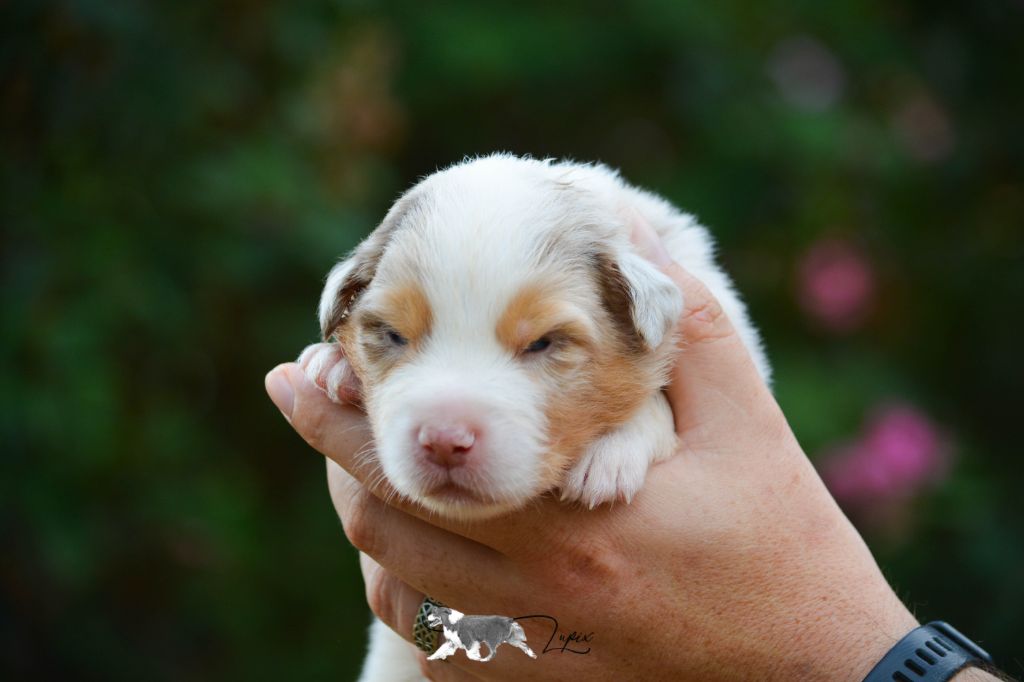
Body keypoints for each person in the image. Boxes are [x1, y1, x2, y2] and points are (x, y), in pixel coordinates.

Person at [265, 219, 1002, 681]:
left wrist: (852, 659)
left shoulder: (661, 295)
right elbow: (440, 632)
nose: (445, 433)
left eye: (541, 344)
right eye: (394, 337)